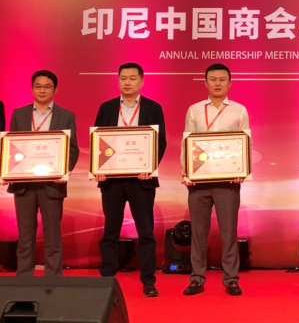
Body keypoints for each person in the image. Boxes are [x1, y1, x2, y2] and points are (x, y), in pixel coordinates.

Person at [94, 62, 167, 298]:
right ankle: (107, 280)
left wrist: (150, 166)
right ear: (118, 81)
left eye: (132, 78)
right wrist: (99, 168)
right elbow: (98, 140)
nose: (127, 82)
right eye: (123, 78)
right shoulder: (106, 108)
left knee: (145, 232)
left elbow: (160, 142)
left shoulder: (153, 108)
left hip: (141, 180)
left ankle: (148, 281)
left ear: (142, 81)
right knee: (110, 231)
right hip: (112, 180)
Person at [181, 63, 249, 297]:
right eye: (213, 79)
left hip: (228, 183)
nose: (217, 83)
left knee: (229, 233)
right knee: (198, 233)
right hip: (198, 182)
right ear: (206, 82)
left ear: (230, 83)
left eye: (222, 79)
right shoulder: (194, 110)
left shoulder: (239, 110)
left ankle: (231, 279)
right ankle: (196, 279)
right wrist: (187, 172)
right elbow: (186, 142)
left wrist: (243, 170)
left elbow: (246, 143)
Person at [5, 70, 79, 276]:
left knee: (53, 236)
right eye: (38, 86)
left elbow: (72, 149)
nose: (42, 90)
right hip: (24, 185)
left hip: (52, 184)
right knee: (25, 237)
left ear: (55, 89)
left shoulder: (66, 116)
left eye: (47, 86)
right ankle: (24, 281)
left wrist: (64, 171)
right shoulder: (19, 114)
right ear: (32, 89)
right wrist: (7, 171)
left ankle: (53, 282)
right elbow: (11, 147)